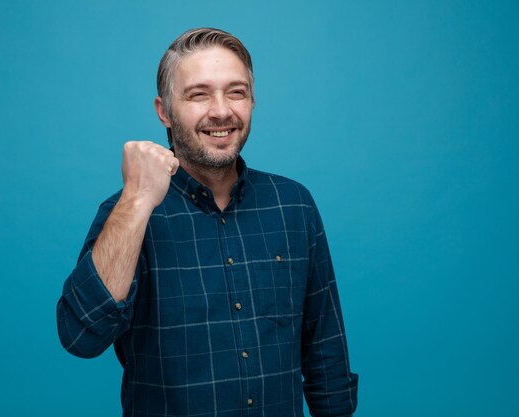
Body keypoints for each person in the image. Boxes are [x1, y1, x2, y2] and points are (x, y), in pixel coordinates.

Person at [57, 28, 358, 417]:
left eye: (236, 92)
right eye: (199, 94)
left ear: (251, 100)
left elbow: (325, 352)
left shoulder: (293, 205)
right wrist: (136, 200)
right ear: (164, 111)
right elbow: (81, 336)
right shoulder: (128, 213)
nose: (221, 111)